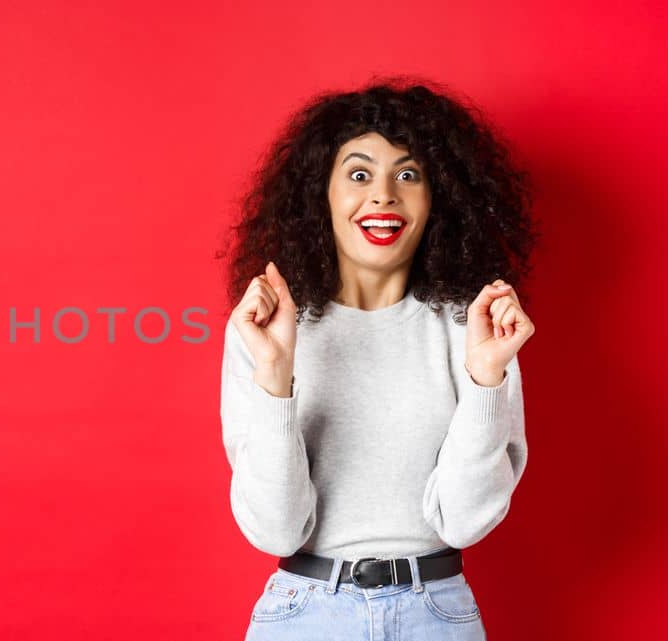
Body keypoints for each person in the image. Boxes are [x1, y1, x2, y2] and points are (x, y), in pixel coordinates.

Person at [218, 77, 539, 640]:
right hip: (304, 615)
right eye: (359, 173)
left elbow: (464, 522)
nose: (384, 194)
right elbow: (275, 530)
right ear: (323, 194)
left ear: (438, 199)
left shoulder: (476, 326)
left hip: (437, 615)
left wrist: (486, 379)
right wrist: (275, 377)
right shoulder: (270, 327)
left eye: (408, 174)